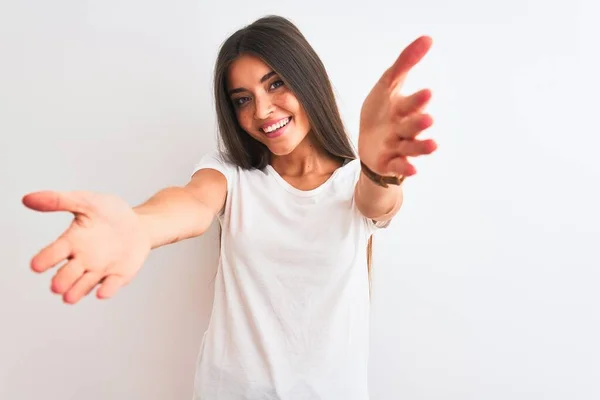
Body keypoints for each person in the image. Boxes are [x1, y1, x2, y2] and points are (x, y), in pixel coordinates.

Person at [22, 15, 437, 400]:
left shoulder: (355, 181)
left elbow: (379, 203)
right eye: (242, 99)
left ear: (307, 79)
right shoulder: (231, 174)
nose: (261, 110)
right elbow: (192, 203)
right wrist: (138, 226)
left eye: (275, 84)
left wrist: (379, 170)